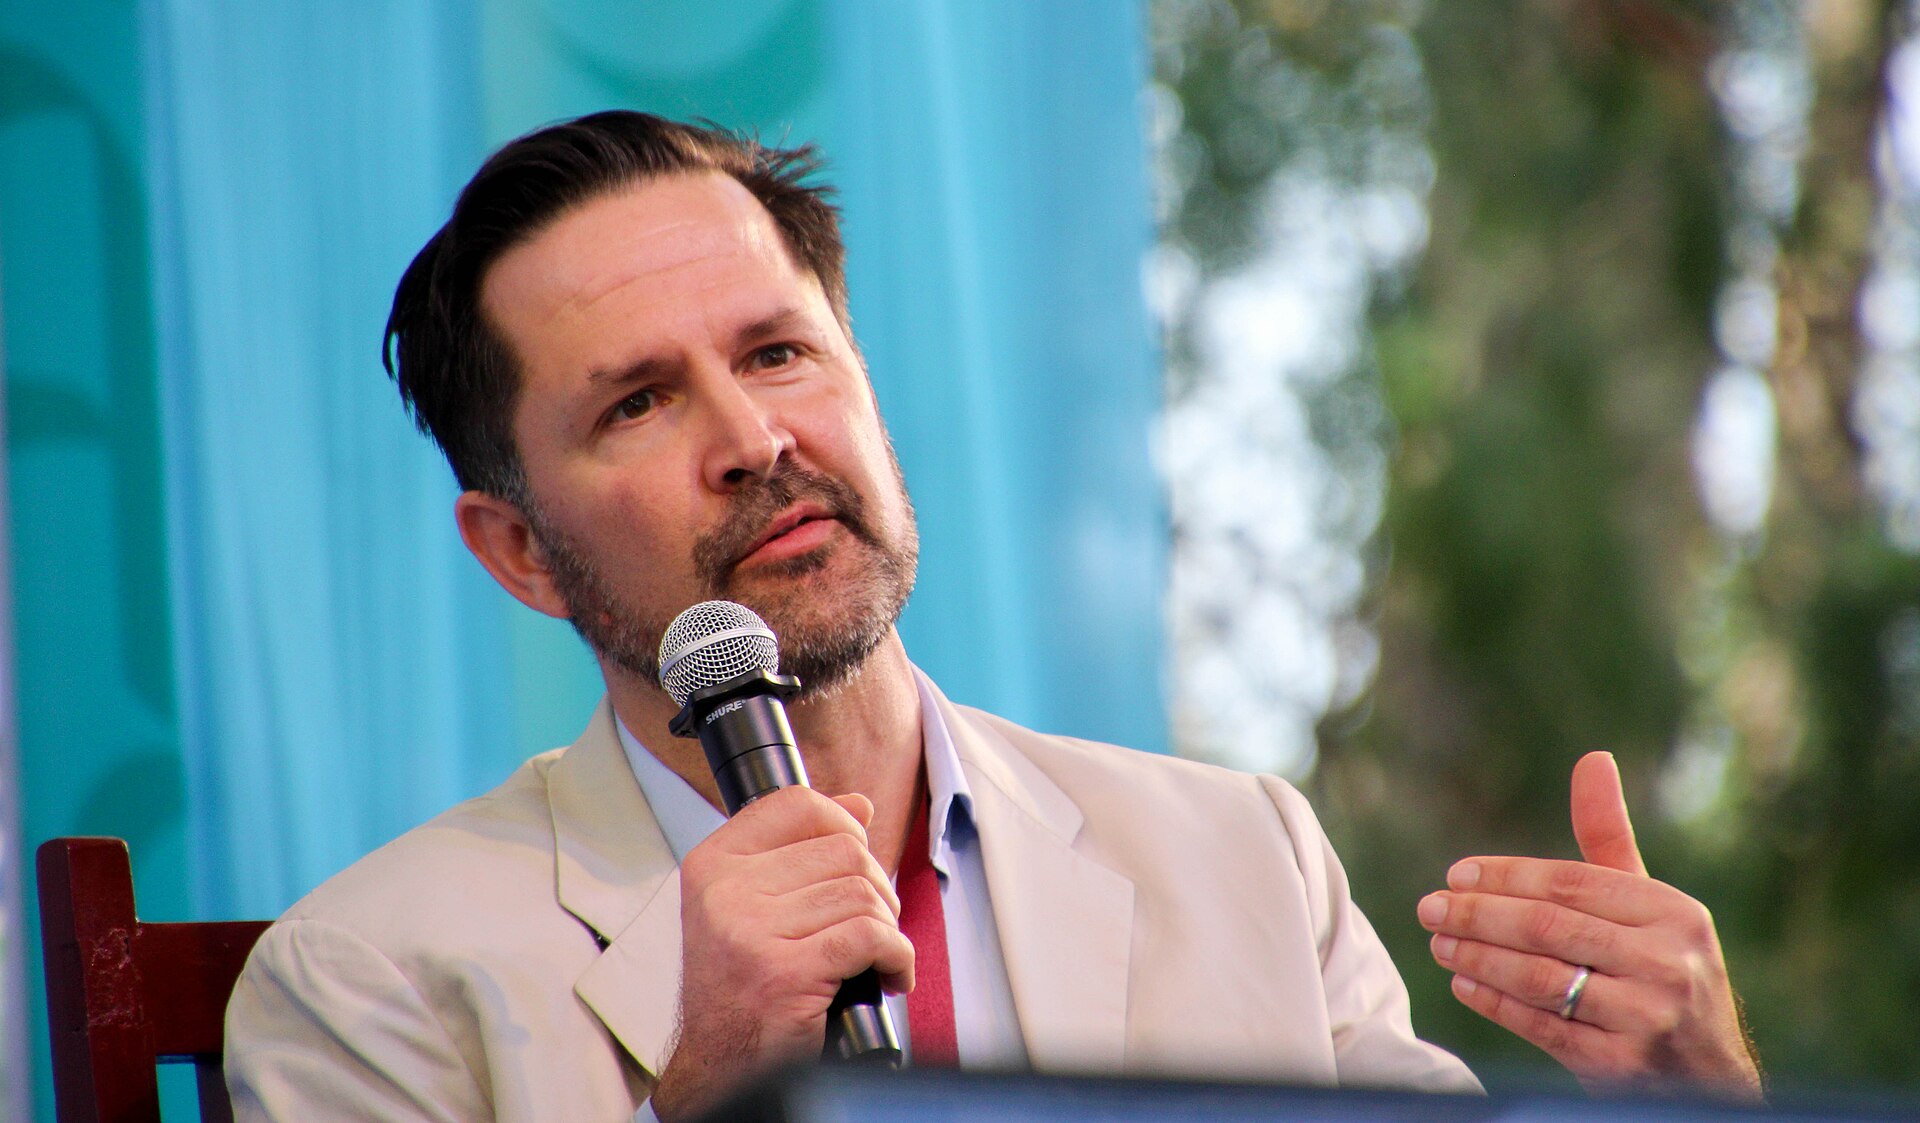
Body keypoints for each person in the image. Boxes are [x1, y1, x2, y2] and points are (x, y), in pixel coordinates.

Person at [223, 112, 1761, 1122]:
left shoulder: (1243, 855)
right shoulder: (365, 979)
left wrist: (1704, 1097)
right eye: (637, 399)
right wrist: (714, 1087)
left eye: (777, 352)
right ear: (520, 554)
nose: (754, 439)